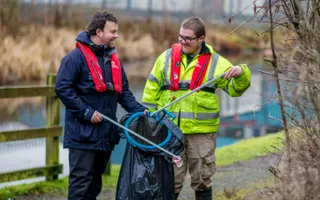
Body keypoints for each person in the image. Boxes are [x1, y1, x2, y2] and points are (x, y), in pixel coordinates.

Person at [142, 17, 251, 200]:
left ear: (201, 39)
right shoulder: (166, 58)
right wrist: (149, 122)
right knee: (170, 178)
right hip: (170, 131)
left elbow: (235, 89)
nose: (182, 42)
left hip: (201, 133)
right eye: (180, 37)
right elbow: (151, 89)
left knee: (202, 178)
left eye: (188, 38)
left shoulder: (217, 63)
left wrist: (242, 73)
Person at [55, 11, 146, 200]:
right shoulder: (75, 58)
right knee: (80, 186)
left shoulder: (113, 61)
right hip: (83, 136)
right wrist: (86, 112)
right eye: (113, 31)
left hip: (105, 135)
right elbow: (62, 88)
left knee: (95, 185)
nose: (116, 35)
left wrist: (141, 111)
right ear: (99, 31)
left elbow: (124, 93)